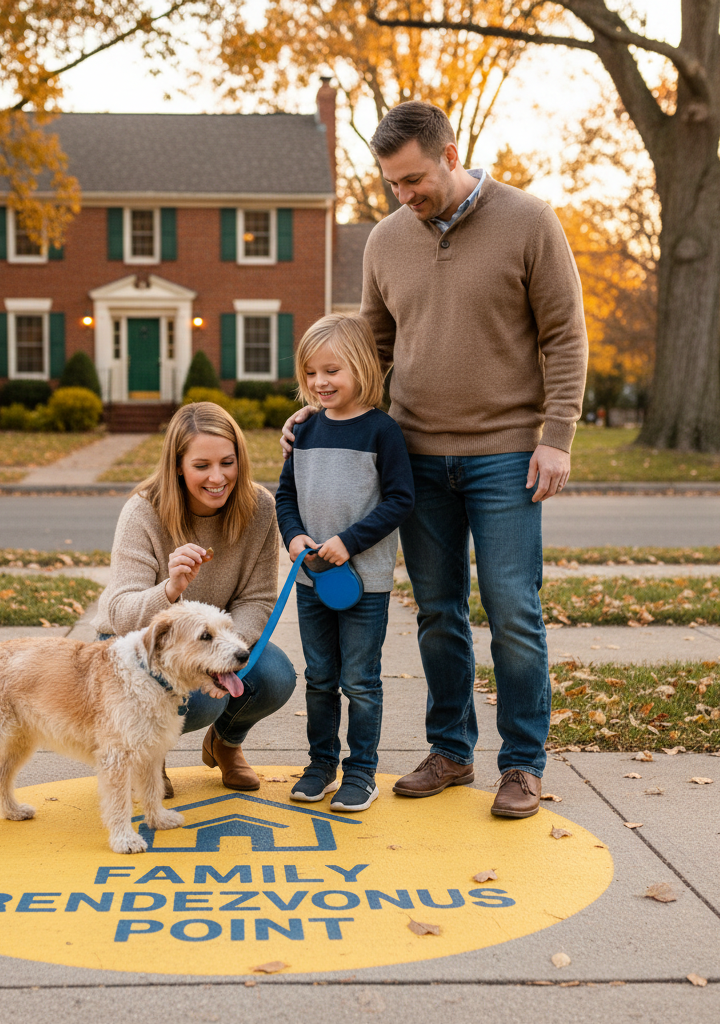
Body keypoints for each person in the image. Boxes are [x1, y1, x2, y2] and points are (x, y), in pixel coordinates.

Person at [283, 101, 588, 819]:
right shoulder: (388, 240)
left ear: (452, 154)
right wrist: (325, 409)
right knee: (437, 613)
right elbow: (370, 350)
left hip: (507, 454)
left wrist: (558, 434)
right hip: (416, 454)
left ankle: (520, 764)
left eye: (414, 179)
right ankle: (451, 749)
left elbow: (565, 338)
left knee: (513, 610)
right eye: (392, 183)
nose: (404, 195)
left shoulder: (529, 221)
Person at [95, 401, 295, 793]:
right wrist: (170, 589)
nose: (218, 477)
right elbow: (119, 615)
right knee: (202, 699)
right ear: (178, 466)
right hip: (139, 646)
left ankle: (226, 744)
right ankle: (149, 757)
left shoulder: (259, 508)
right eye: (202, 466)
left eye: (228, 462)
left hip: (216, 639)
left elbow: (258, 599)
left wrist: (216, 646)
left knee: (275, 677)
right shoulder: (143, 511)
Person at [276, 313, 414, 812]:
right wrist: (293, 539)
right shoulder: (305, 430)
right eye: (311, 373)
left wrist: (349, 542)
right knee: (319, 677)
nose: (319, 382)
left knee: (359, 680)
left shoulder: (382, 432)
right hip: (311, 582)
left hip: (365, 583)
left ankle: (361, 772)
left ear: (360, 367)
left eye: (331, 370)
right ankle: (320, 765)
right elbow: (285, 495)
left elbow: (401, 500)